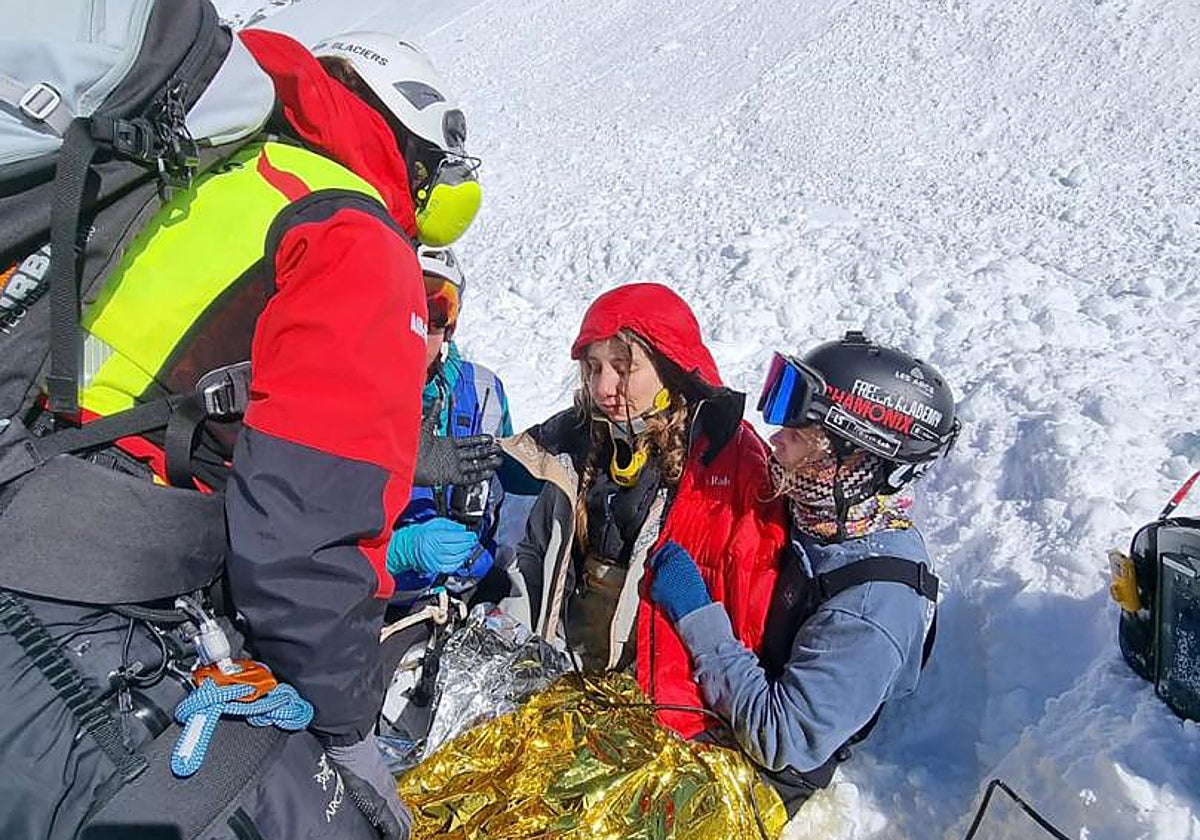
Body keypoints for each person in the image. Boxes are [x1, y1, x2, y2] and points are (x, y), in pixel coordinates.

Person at [0, 17, 493, 839]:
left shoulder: (205, 166)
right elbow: (303, 548)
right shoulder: (352, 233)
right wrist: (345, 737)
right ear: (415, 155)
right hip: (86, 620)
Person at [649, 331, 961, 814]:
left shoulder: (872, 608)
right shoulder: (824, 514)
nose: (776, 441)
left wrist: (698, 616)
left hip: (763, 774)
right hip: (728, 694)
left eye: (796, 436)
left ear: (851, 460)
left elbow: (781, 737)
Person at [500, 282, 787, 737]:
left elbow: (749, 591)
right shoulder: (579, 438)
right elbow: (524, 517)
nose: (603, 388)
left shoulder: (722, 462)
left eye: (622, 367)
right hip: (561, 666)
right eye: (593, 368)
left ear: (668, 367)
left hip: (653, 697)